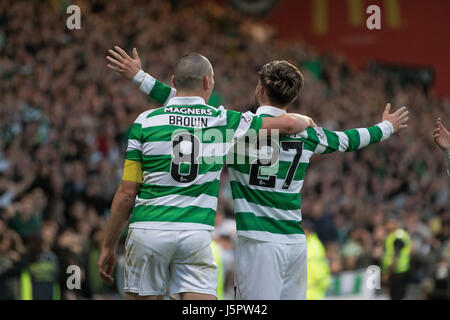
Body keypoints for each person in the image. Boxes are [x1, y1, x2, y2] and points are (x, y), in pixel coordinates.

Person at [107, 48, 409, 299]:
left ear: (260, 89)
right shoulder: (310, 134)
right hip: (294, 243)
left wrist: (139, 76)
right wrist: (387, 127)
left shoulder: (237, 130)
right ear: (291, 97)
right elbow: (350, 139)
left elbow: (186, 105)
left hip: (257, 242)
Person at [98, 51, 315, 300]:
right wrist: (304, 119)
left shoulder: (144, 123)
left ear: (174, 81)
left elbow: (126, 193)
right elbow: (287, 125)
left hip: (149, 230)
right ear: (207, 82)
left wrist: (108, 245)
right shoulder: (222, 122)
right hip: (194, 234)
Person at [382, 215, 411, 300]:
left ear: (394, 223)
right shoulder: (395, 235)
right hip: (399, 271)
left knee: (396, 296)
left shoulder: (398, 236)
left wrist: (387, 273)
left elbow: (395, 256)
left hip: (397, 272)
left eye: (388, 223)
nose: (386, 225)